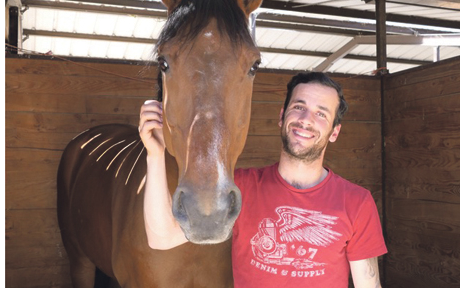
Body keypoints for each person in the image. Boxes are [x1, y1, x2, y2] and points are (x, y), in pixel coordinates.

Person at [139, 72, 387, 288]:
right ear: (282, 117)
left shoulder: (357, 202)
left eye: (321, 113)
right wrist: (155, 154)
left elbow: (369, 284)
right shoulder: (241, 188)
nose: (306, 119)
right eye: (299, 106)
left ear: (334, 132)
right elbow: (162, 238)